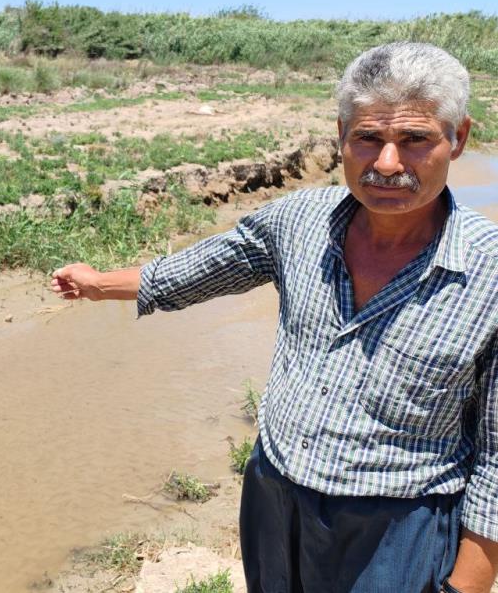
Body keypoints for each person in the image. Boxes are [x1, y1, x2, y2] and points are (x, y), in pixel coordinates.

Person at [50, 42, 498, 593]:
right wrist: (98, 284)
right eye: (368, 138)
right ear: (341, 135)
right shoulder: (296, 222)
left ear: (459, 140)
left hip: (399, 525)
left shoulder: (490, 272)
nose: (387, 164)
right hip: (274, 492)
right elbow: (200, 269)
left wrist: (467, 586)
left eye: (414, 140)